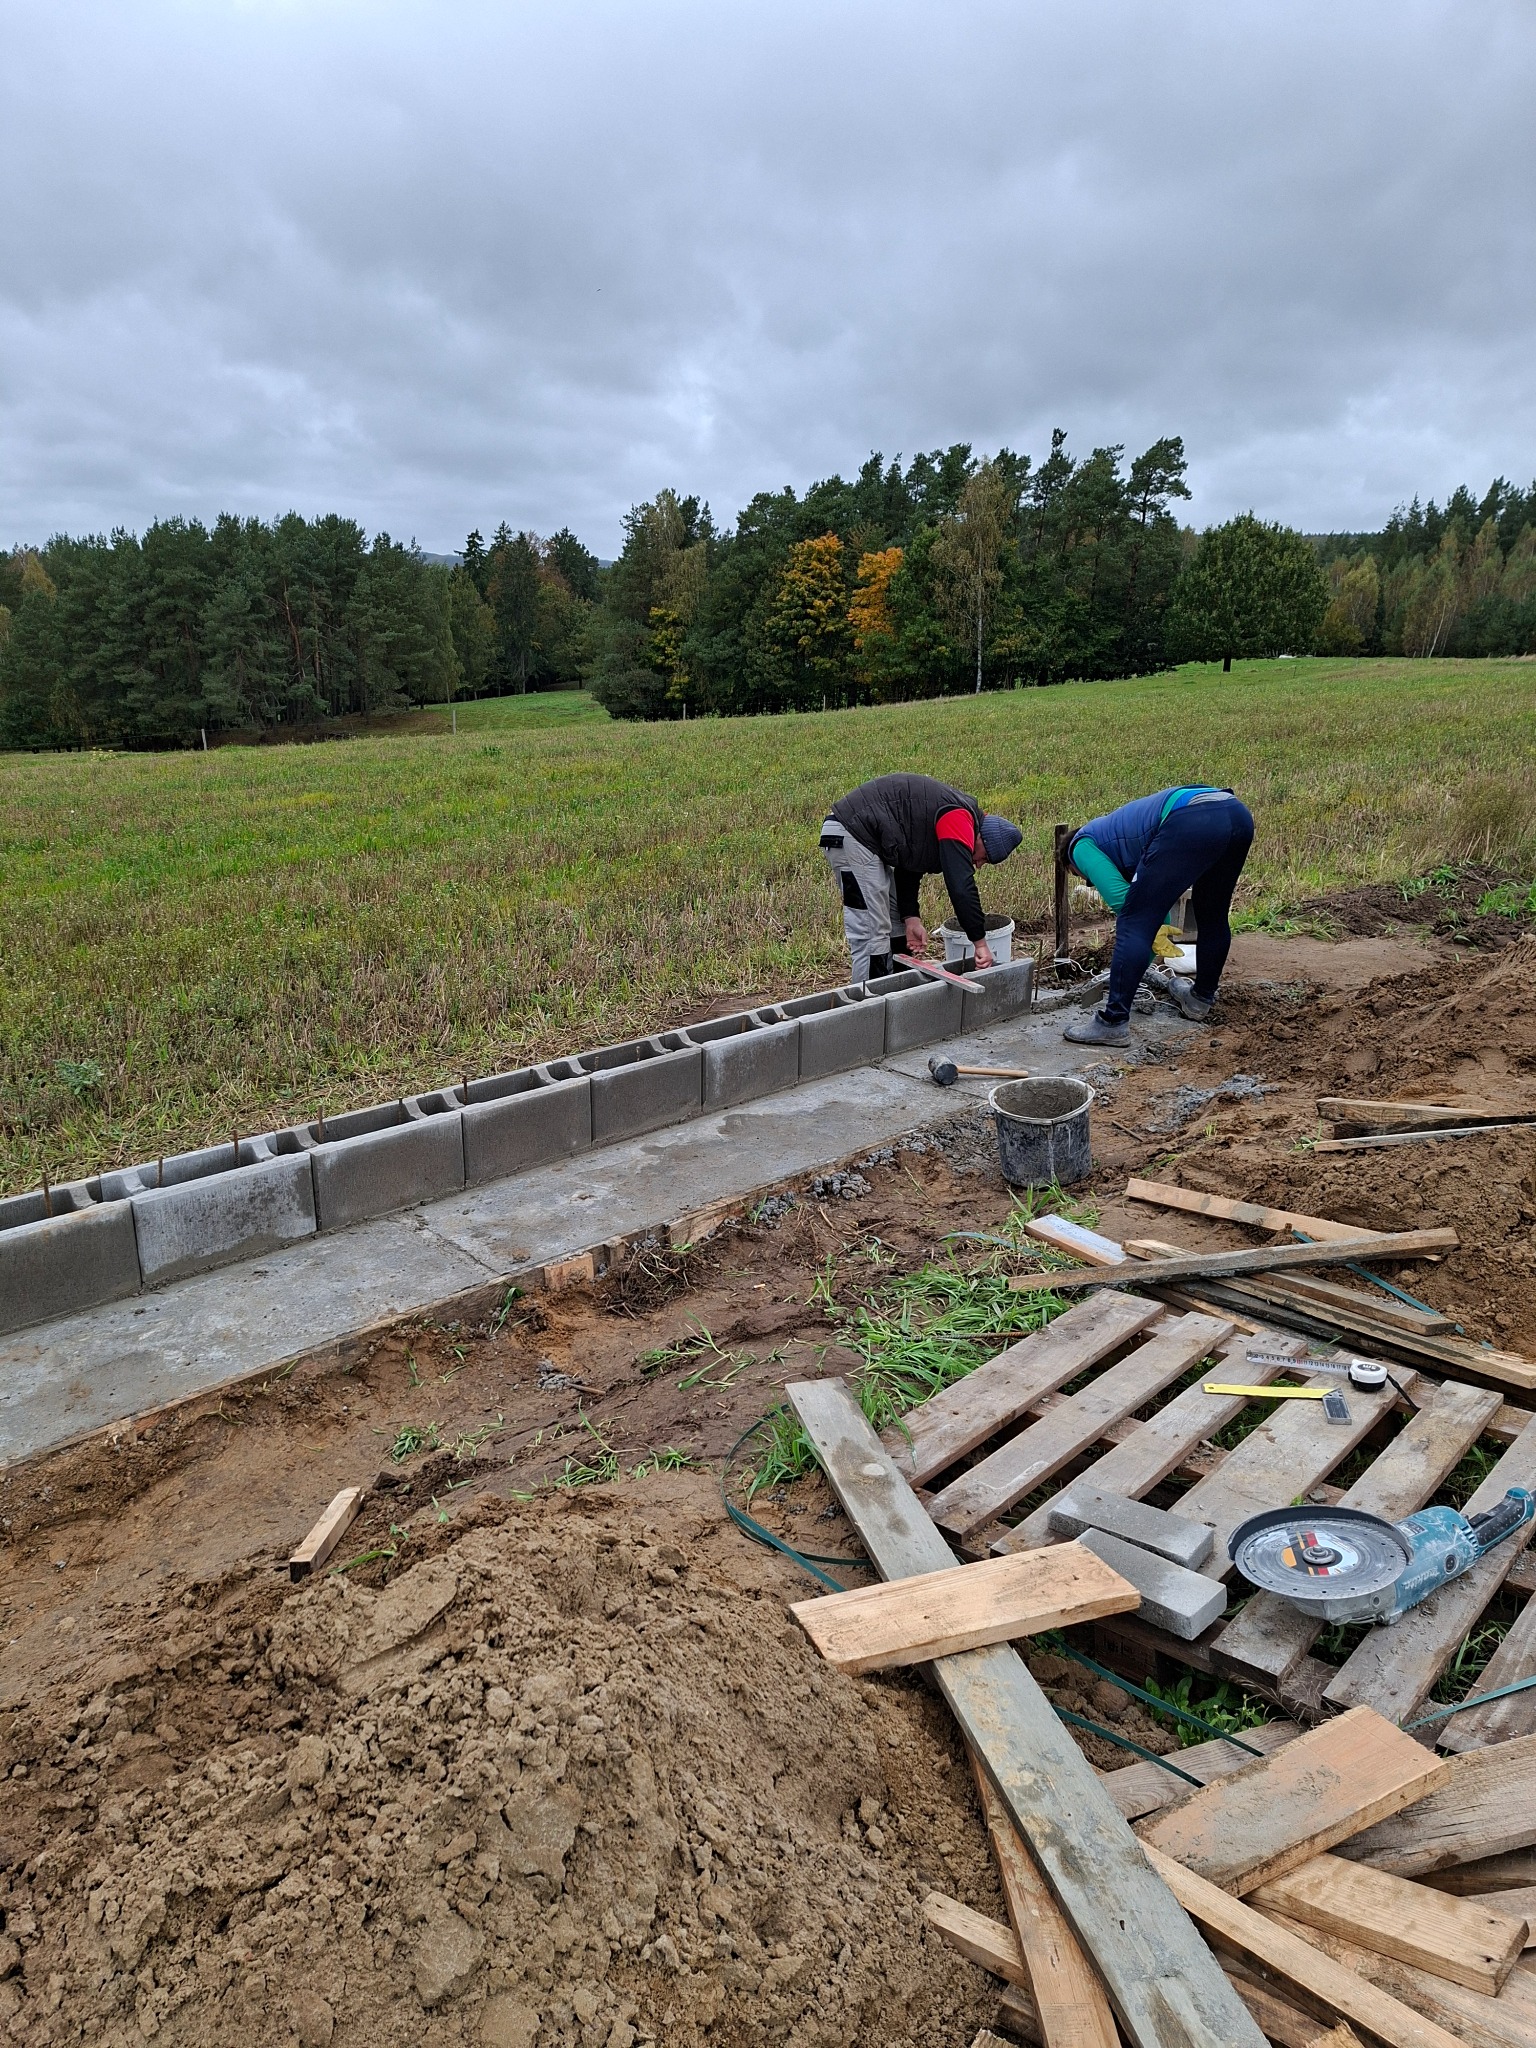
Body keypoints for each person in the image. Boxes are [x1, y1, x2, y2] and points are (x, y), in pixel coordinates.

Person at [1062, 785, 1254, 1047]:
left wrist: (1146, 939)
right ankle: (1199, 999)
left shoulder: (1080, 846)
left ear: (1072, 866)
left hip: (1193, 818)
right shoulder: (1117, 832)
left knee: (1133, 919)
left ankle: (1112, 1022)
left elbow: (1124, 902)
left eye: (1082, 878)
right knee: (1211, 911)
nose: (1088, 881)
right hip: (1235, 814)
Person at [820, 772, 1023, 983]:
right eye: (985, 858)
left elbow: (910, 863)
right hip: (853, 832)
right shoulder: (958, 818)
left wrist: (911, 918)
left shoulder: (953, 814)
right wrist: (979, 943)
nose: (979, 864)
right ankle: (868, 1007)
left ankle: (898, 994)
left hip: (866, 838)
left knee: (895, 924)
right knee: (872, 933)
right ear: (982, 838)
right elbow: (961, 885)